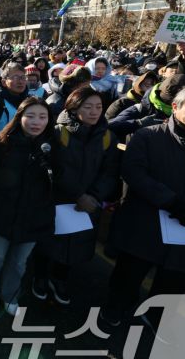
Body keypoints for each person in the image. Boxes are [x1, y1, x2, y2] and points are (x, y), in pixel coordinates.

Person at [103, 83, 185, 332]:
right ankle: (114, 309)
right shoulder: (148, 136)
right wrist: (171, 202)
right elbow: (134, 172)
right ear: (176, 106)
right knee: (128, 275)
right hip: (145, 223)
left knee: (174, 281)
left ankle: (155, 317)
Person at [31, 87, 119, 306]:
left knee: (76, 243)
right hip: (57, 200)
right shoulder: (57, 132)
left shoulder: (107, 137)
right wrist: (78, 194)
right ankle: (39, 276)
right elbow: (51, 167)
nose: (94, 112)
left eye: (98, 107)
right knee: (48, 240)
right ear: (73, 107)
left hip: (88, 203)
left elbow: (110, 172)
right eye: (87, 107)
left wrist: (94, 196)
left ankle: (59, 278)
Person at [0, 97, 55, 316]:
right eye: (30, 116)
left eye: (42, 117)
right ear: (19, 117)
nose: (36, 122)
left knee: (19, 262)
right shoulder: (1, 144)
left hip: (34, 217)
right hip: (3, 214)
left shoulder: (52, 147)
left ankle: (10, 293)